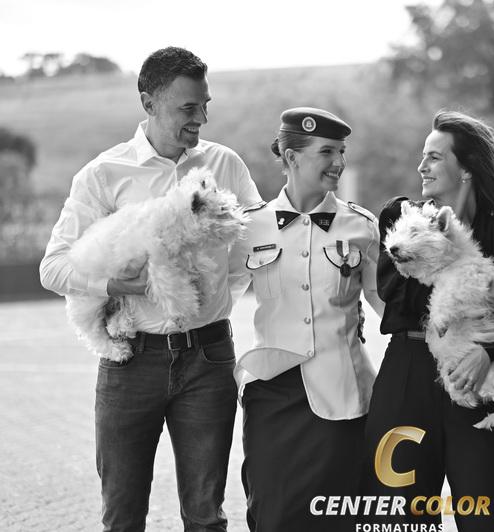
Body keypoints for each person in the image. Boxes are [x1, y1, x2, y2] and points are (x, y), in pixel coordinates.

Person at [39, 47, 262, 531]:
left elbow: (256, 245)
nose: (201, 118)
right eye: (188, 108)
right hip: (130, 364)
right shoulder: (102, 175)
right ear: (149, 103)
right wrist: (113, 285)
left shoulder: (224, 164)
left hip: (209, 358)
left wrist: (220, 296)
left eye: (205, 105)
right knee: (122, 517)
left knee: (206, 517)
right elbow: (52, 268)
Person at [362, 109, 494, 531]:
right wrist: (468, 281)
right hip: (407, 374)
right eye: (423, 156)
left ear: (466, 169)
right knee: (398, 515)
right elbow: (397, 295)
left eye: (435, 157)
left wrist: (488, 352)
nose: (421, 166)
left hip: (473, 375)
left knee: (487, 513)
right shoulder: (401, 219)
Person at [229, 107, 385, 532]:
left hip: (342, 393)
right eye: (327, 152)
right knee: (272, 512)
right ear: (291, 156)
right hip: (271, 395)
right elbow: (214, 299)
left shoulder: (362, 226)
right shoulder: (249, 227)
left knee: (336, 516)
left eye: (341, 152)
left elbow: (382, 301)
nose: (338, 162)